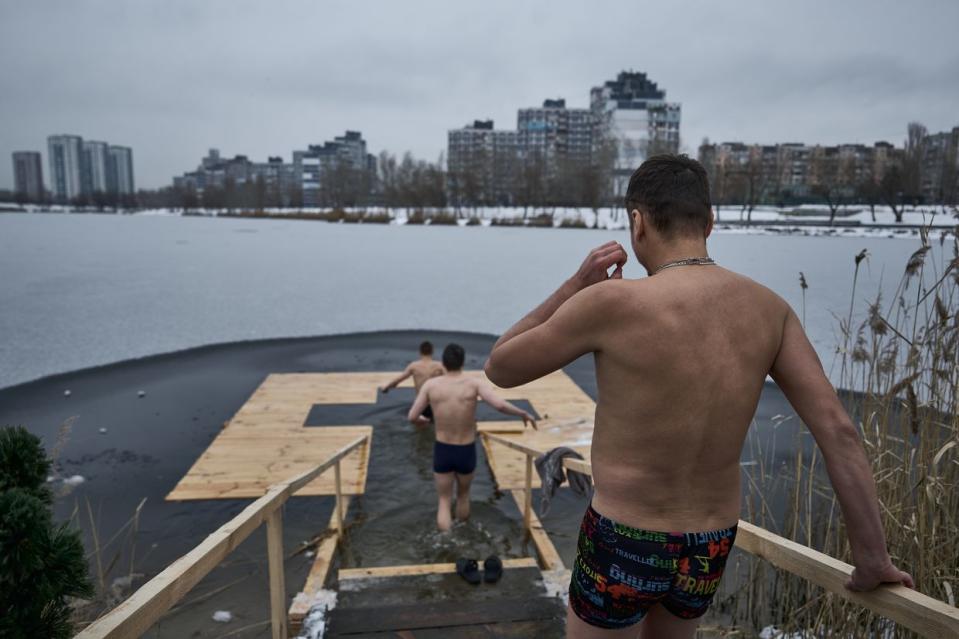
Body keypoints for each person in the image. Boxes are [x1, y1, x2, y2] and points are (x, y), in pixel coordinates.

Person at [484, 154, 913, 638]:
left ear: (637, 223)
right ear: (710, 222)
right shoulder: (771, 310)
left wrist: (575, 286)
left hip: (626, 535)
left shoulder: (611, 303)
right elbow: (838, 431)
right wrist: (873, 558)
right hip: (710, 542)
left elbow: (500, 366)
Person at [409, 343, 537, 532]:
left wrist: (423, 422)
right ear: (462, 362)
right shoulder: (473, 384)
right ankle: (462, 533)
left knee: (444, 501)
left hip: (443, 448)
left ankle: (446, 540)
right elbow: (499, 405)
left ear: (443, 363)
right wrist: (523, 413)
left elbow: (412, 416)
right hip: (465, 450)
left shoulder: (431, 385)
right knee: (463, 495)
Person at [380, 340, 445, 422]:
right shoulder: (440, 366)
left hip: (420, 404)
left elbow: (399, 379)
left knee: (420, 430)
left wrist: (386, 387)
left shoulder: (414, 366)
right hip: (435, 405)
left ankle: (423, 421)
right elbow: (451, 379)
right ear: (432, 351)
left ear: (420, 352)